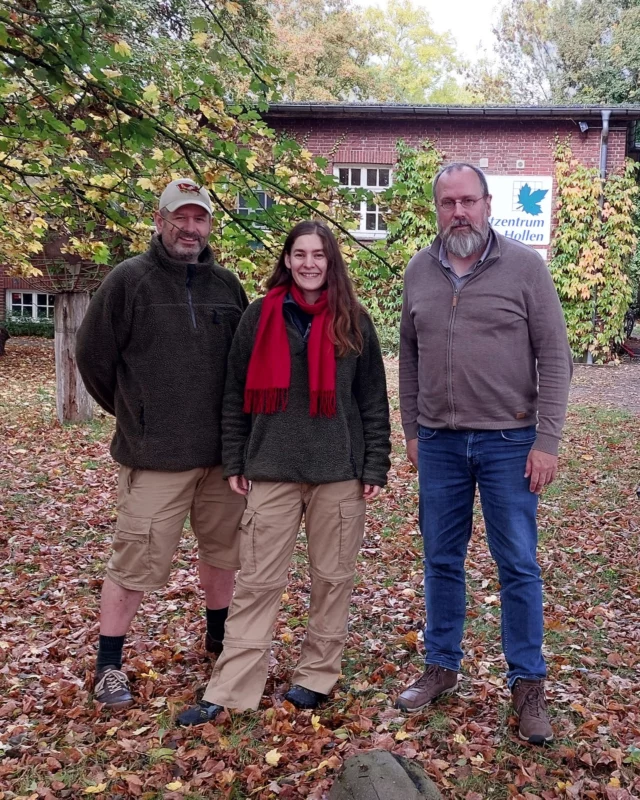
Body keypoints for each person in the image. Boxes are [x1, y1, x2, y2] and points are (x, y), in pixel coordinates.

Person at [176, 220, 391, 725]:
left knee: (332, 578)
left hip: (338, 471)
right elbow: (234, 395)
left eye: (318, 254)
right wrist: (236, 458)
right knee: (256, 582)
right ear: (287, 260)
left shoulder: (353, 320)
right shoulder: (260, 315)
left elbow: (372, 401)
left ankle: (316, 676)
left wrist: (375, 462)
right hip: (269, 469)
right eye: (300, 254)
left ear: (331, 260)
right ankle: (231, 688)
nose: (309, 263)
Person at [397, 163, 573, 745]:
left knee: (518, 564)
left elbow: (555, 356)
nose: (458, 213)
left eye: (467, 201)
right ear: (436, 209)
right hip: (441, 444)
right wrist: (412, 431)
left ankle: (527, 683)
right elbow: (410, 356)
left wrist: (547, 440)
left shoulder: (525, 267)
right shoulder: (419, 271)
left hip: (509, 442)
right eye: (447, 203)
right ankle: (441, 666)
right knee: (441, 560)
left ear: (488, 203)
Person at [76, 178, 248, 710]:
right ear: (160, 220)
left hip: (222, 460)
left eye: (199, 219)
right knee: (134, 562)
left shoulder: (227, 286)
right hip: (154, 458)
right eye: (180, 217)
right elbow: (93, 360)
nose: (189, 228)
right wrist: (138, 416)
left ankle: (218, 640)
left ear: (209, 226)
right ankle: (109, 665)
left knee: (223, 557)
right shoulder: (129, 282)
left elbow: (242, 368)